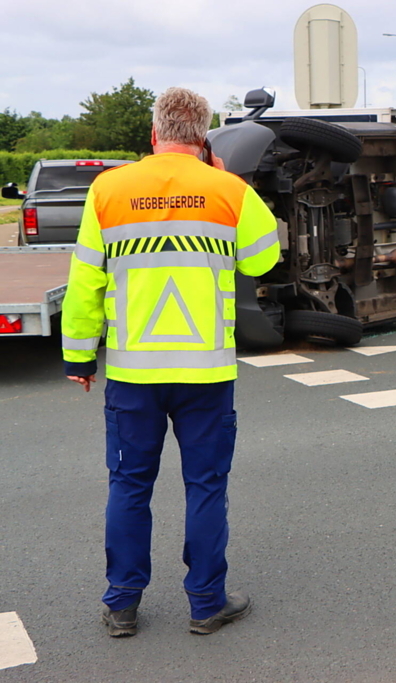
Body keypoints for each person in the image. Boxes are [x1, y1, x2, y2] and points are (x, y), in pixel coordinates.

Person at [61, 87, 281, 636]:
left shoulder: (108, 190)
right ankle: (206, 604)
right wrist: (232, 183)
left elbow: (86, 278)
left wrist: (79, 356)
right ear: (203, 138)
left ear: (154, 134)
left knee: (129, 483)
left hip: (134, 373)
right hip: (205, 371)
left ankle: (122, 605)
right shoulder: (227, 188)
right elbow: (265, 258)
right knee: (205, 484)